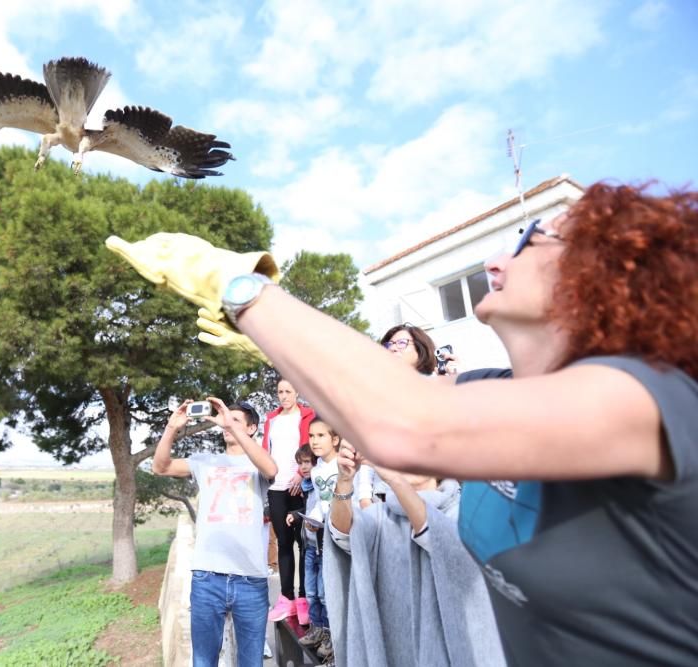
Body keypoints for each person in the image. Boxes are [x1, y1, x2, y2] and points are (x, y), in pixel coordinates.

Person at [106, 181, 698, 665]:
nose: (496, 259)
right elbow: (369, 408)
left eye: (528, 243)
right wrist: (272, 349)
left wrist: (237, 287)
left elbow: (404, 423)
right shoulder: (496, 391)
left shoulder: (651, 398)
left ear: (605, 275)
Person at [325, 442, 504, 666]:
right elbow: (343, 534)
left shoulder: (465, 512)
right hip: (395, 652)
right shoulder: (381, 516)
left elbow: (440, 538)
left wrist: (395, 481)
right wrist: (344, 481)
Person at [153, 397, 278, 667]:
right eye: (224, 420)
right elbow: (160, 467)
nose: (226, 425)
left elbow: (271, 469)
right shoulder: (205, 461)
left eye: (235, 421)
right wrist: (172, 428)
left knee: (251, 663)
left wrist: (233, 429)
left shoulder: (257, 463)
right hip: (207, 578)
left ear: (252, 428)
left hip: (250, 580)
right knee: (203, 662)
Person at [263, 378, 315, 624]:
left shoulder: (306, 416)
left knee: (303, 544)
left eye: (287, 391)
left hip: (299, 485)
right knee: (283, 544)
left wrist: (300, 474)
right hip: (276, 486)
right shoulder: (271, 419)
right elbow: (266, 450)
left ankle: (305, 599)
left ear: (297, 392)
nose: (283, 396)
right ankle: (287, 599)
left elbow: (310, 449)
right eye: (279, 392)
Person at [300, 419, 341, 665]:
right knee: (314, 590)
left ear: (335, 439)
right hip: (317, 538)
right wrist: (312, 518)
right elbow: (320, 502)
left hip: (338, 540)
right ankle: (319, 630)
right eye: (311, 435)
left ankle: (334, 638)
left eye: (321, 435)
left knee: (330, 593)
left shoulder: (343, 466)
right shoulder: (316, 472)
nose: (314, 441)